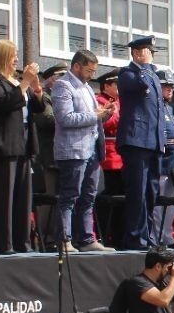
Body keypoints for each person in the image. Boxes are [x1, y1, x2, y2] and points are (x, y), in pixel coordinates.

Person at [0, 41, 44, 254]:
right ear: (2, 56)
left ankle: (22, 243)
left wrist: (37, 90)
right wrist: (24, 83)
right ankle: (4, 245)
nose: (16, 60)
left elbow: (38, 107)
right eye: (13, 55)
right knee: (6, 196)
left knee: (24, 196)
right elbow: (4, 103)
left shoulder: (14, 80)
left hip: (24, 142)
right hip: (4, 143)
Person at [52, 49, 113, 253]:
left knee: (89, 196)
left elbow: (93, 118)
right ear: (76, 66)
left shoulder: (87, 88)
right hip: (73, 151)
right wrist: (95, 115)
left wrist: (104, 114)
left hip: (92, 149)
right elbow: (65, 118)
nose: (91, 75)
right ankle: (64, 239)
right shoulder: (63, 85)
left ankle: (86, 239)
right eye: (88, 70)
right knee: (70, 195)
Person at [116, 36, 166, 250]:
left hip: (153, 142)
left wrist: (161, 140)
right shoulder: (128, 73)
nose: (150, 55)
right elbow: (140, 85)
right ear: (137, 53)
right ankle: (136, 238)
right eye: (147, 51)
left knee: (151, 193)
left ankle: (150, 237)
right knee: (137, 192)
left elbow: (158, 109)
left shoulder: (153, 76)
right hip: (136, 142)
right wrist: (144, 67)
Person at [33, 64, 67, 251]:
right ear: (51, 78)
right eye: (61, 75)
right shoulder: (44, 96)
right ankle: (46, 240)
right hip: (48, 158)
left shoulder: (62, 96)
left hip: (63, 156)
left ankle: (58, 237)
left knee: (61, 201)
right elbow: (47, 120)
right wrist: (70, 116)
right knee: (48, 203)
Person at [150, 67, 174, 247]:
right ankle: (156, 237)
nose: (169, 89)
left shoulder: (169, 108)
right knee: (158, 204)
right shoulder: (154, 105)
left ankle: (167, 236)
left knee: (172, 203)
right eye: (165, 85)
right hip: (160, 161)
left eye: (171, 86)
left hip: (172, 162)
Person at [94, 70, 123, 247]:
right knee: (108, 200)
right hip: (109, 157)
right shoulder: (100, 101)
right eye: (116, 84)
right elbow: (105, 124)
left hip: (122, 157)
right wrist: (116, 112)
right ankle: (106, 235)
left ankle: (119, 235)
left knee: (121, 202)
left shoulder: (119, 102)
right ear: (107, 85)